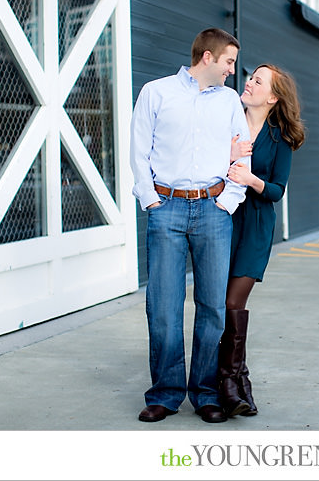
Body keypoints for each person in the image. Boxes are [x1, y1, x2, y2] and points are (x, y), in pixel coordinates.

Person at [129, 28, 251, 424]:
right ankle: (164, 393)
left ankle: (204, 393)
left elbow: (241, 152)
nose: (233, 71)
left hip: (213, 211)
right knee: (163, 307)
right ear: (208, 58)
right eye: (229, 61)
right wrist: (151, 200)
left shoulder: (230, 101)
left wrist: (227, 202)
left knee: (212, 308)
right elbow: (138, 149)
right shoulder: (156, 92)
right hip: (167, 207)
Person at [218, 64, 305, 417]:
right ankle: (236, 383)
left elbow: (276, 190)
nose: (249, 82)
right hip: (221, 221)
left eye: (257, 81)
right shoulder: (226, 120)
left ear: (272, 97)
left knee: (232, 304)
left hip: (254, 227)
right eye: (250, 77)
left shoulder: (280, 138)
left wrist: (252, 179)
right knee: (215, 305)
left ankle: (229, 381)